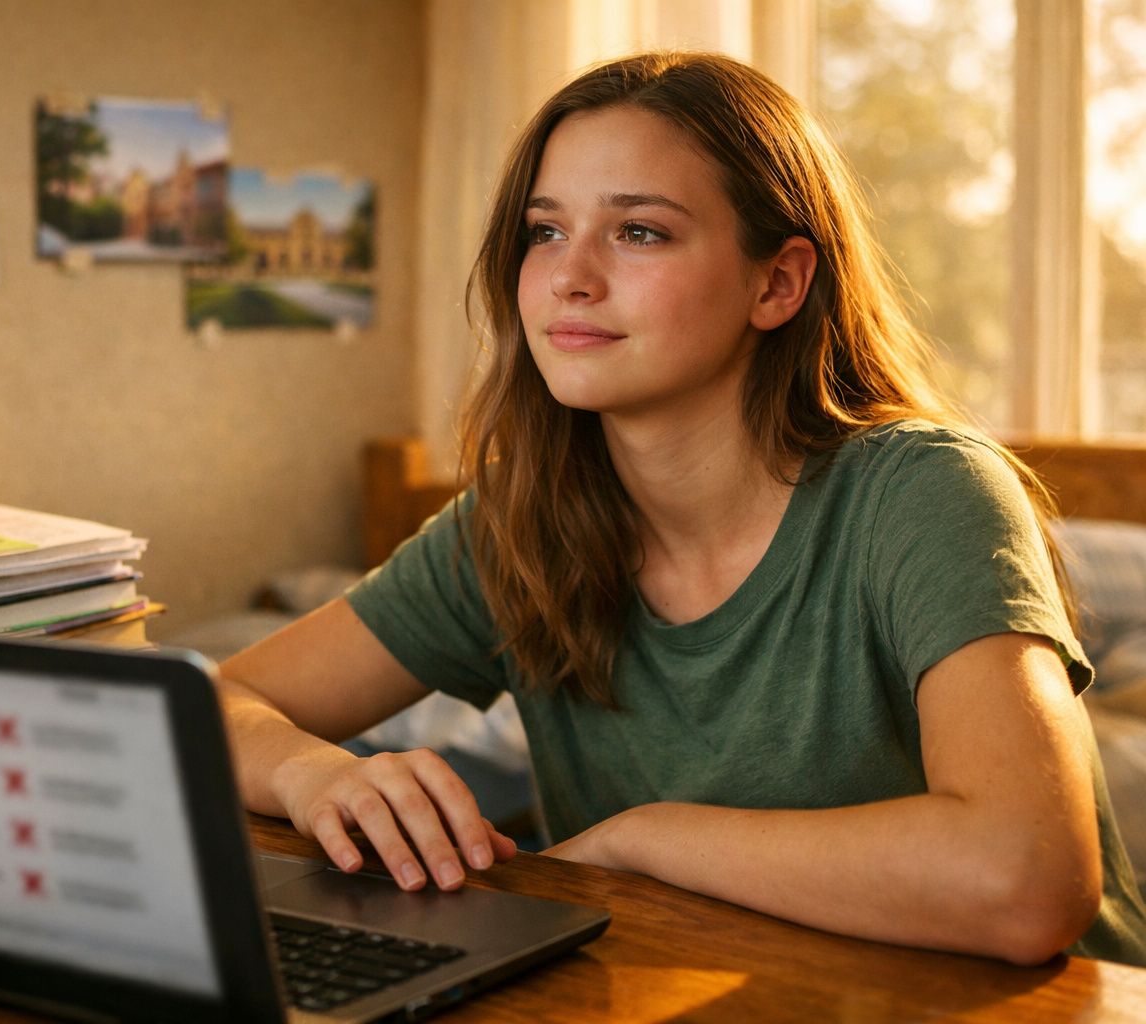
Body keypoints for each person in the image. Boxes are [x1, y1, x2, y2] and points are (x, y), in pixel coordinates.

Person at [216, 51, 1146, 966]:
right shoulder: (518, 525)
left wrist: (642, 840)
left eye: (640, 232)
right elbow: (215, 703)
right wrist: (316, 773)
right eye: (545, 231)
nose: (569, 277)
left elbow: (1023, 881)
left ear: (776, 282)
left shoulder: (926, 493)